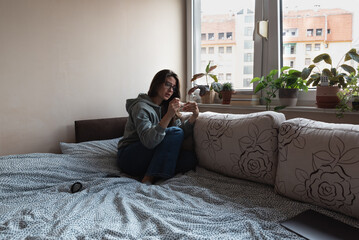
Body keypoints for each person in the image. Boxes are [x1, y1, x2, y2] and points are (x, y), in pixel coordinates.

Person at [117, 69, 199, 184]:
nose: (171, 90)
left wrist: (194, 116)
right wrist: (168, 115)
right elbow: (149, 142)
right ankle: (149, 177)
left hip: (152, 153)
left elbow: (176, 136)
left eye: (174, 87)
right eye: (167, 84)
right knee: (175, 133)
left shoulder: (166, 107)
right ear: (156, 84)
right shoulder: (140, 107)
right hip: (130, 156)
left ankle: (153, 170)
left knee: (189, 160)